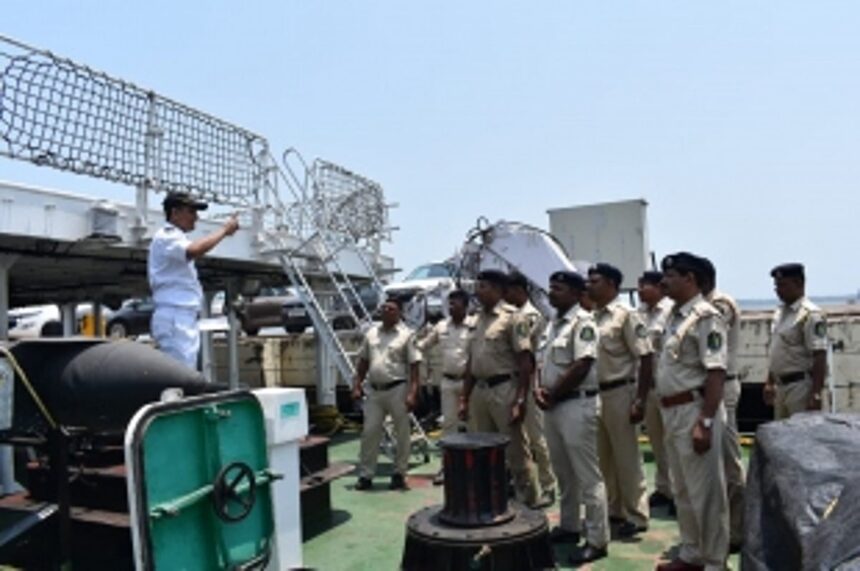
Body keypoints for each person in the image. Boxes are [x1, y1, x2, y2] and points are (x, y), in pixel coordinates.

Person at [656, 252, 729, 571]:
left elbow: (716, 372)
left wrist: (706, 421)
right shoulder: (673, 316)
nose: (664, 281)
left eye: (671, 276)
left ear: (690, 279)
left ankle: (714, 562)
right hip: (671, 411)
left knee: (707, 494)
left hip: (695, 410)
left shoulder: (706, 317)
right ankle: (691, 553)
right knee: (682, 489)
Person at [536, 271, 609, 564]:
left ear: (577, 294)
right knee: (563, 472)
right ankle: (569, 526)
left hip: (576, 405)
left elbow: (582, 364)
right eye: (551, 287)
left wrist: (552, 393)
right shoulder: (553, 323)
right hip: (554, 406)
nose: (551, 292)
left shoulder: (583, 322)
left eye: (559, 288)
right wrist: (539, 390)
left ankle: (597, 539)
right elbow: (543, 363)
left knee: (588, 476)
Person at [458, 269, 540, 507]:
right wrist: (464, 398)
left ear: (497, 290)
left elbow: (525, 362)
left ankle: (529, 502)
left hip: (504, 389)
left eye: (483, 287)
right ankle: (493, 499)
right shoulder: (476, 320)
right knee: (484, 449)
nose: (477, 292)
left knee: (516, 451)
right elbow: (471, 362)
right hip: (480, 391)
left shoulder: (513, 318)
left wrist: (520, 400)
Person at [587, 263, 651, 538]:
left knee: (627, 457)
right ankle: (615, 510)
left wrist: (640, 400)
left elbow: (645, 356)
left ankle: (637, 515)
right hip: (595, 393)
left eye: (595, 281)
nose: (589, 286)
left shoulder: (626, 315)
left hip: (620, 392)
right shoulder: (591, 317)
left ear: (611, 285)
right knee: (603, 458)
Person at [148, 191, 238, 369]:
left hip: (180, 316)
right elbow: (193, 250)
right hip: (176, 316)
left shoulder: (174, 237)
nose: (196, 217)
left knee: (183, 371)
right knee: (180, 374)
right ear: (175, 212)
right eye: (191, 211)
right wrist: (224, 231)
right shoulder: (167, 236)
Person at [352, 296, 421, 491]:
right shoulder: (371, 334)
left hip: (398, 389)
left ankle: (399, 473)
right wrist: (357, 385)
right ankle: (366, 475)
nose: (386, 311)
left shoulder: (407, 335)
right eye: (384, 307)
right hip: (374, 391)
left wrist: (413, 393)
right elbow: (363, 362)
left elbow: (415, 367)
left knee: (402, 434)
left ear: (399, 313)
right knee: (369, 432)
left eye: (391, 308)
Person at [700, 258, 746, 553]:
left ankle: (737, 530)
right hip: (707, 388)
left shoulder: (718, 306)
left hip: (722, 385)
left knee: (728, 459)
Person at [504, 271, 557, 506]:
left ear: (519, 291)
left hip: (529, 378)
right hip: (512, 381)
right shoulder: (510, 315)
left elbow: (528, 353)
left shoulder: (530, 316)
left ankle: (548, 485)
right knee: (515, 437)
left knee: (536, 437)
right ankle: (520, 483)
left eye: (508, 291)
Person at [417, 289, 472, 485]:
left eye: (455, 304)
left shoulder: (474, 326)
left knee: (473, 425)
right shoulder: (441, 327)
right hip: (448, 382)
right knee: (449, 425)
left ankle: (472, 467)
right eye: (449, 304)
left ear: (465, 306)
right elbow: (423, 345)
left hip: (470, 383)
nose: (451, 307)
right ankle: (447, 467)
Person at [763, 263, 828, 419]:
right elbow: (777, 350)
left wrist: (816, 393)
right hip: (780, 386)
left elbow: (819, 354)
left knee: (801, 431)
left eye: (783, 285)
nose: (778, 290)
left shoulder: (810, 314)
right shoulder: (780, 313)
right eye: (776, 286)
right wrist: (769, 382)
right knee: (781, 432)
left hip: (800, 386)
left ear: (799, 283)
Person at [637, 271, 675, 514]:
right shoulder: (640, 314)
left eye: (645, 286)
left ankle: (677, 493)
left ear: (659, 288)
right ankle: (663, 488)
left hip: (667, 386)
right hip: (647, 387)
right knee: (657, 440)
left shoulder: (670, 312)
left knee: (672, 441)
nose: (640, 290)